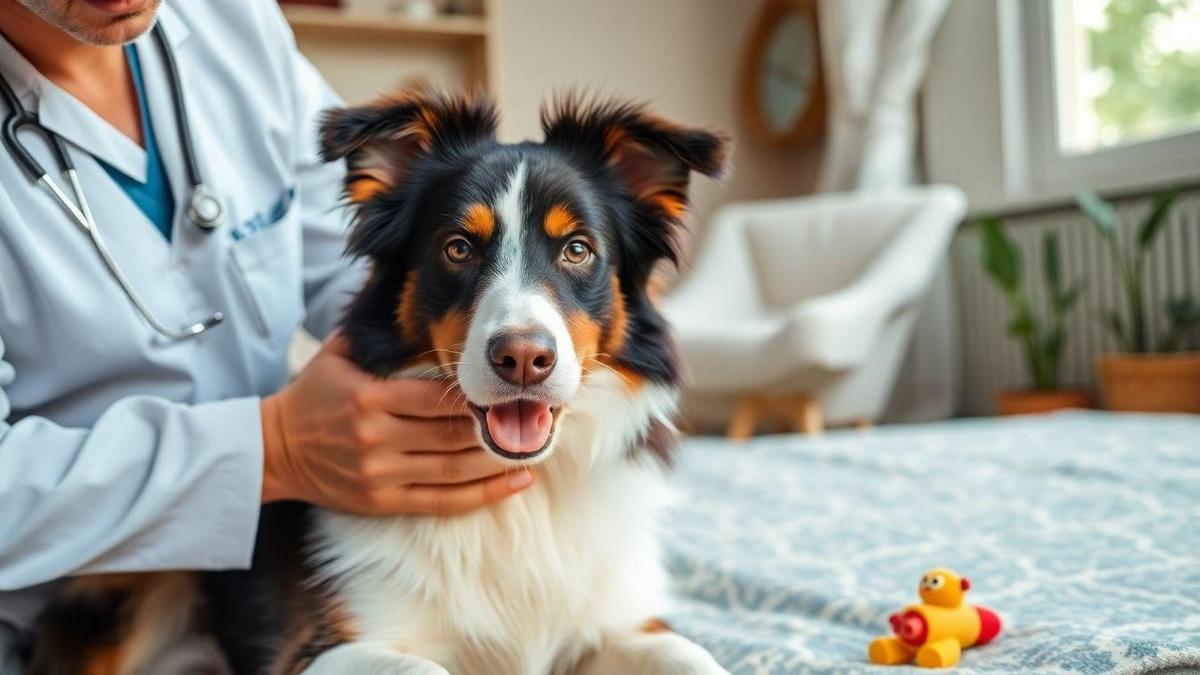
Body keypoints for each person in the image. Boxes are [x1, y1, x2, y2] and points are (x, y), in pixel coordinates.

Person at [0, 0, 534, 671]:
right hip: (58, 619)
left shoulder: (233, 23)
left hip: (260, 575)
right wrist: (271, 448)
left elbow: (368, 264)